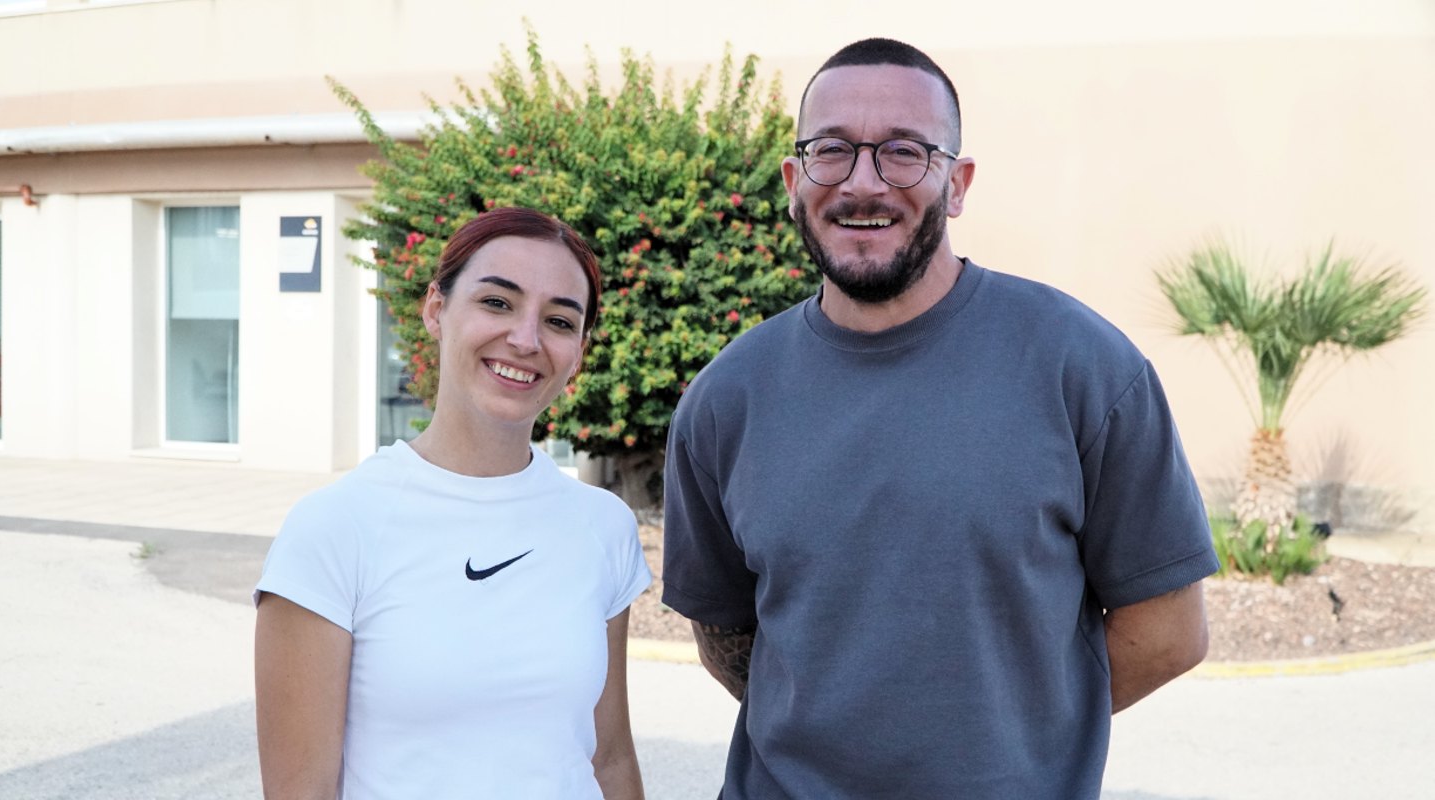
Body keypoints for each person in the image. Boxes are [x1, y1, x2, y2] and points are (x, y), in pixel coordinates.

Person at [662, 38, 1218, 799]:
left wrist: (1018, 735)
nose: (864, 183)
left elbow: (1169, 634)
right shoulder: (726, 398)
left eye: (904, 153)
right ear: (795, 180)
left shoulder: (1082, 367)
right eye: (832, 151)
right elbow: (726, 639)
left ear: (957, 184)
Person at [255, 207, 651, 800]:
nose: (525, 339)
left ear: (578, 353)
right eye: (497, 302)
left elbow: (611, 757)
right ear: (436, 309)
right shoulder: (334, 529)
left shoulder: (604, 527)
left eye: (560, 321)